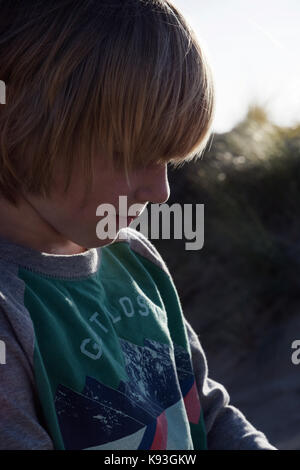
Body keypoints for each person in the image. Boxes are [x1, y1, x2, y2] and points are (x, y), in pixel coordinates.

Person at [0, 0, 276, 450]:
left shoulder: (136, 259)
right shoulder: (10, 311)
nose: (162, 192)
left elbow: (204, 410)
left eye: (169, 160)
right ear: (21, 123)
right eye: (134, 158)